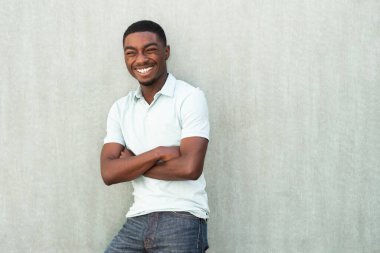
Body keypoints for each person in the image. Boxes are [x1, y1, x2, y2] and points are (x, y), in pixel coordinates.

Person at [101, 20, 210, 252]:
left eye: (149, 50)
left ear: (166, 52)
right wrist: (158, 153)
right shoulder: (120, 108)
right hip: (137, 218)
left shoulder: (189, 97)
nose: (140, 59)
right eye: (131, 53)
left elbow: (190, 168)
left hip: (182, 217)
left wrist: (132, 163)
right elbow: (109, 173)